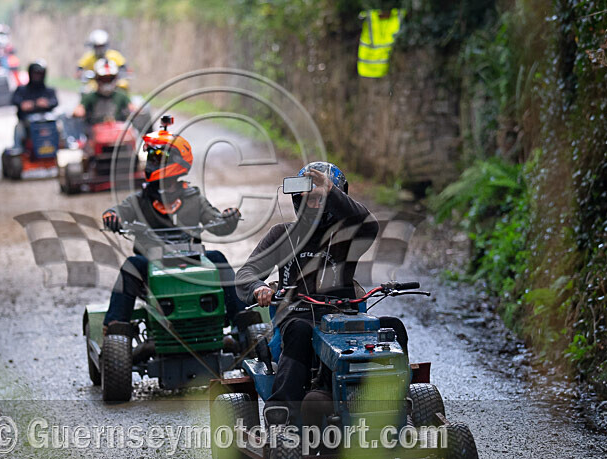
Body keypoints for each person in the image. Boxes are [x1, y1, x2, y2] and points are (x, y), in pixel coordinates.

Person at [235, 162, 379, 425]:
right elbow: (245, 274)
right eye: (308, 198)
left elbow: (369, 225)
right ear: (297, 200)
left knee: (391, 329)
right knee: (300, 331)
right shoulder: (282, 235)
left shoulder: (347, 238)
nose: (314, 204)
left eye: (320, 198)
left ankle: (397, 406)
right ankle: (283, 414)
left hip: (343, 321)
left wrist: (331, 192)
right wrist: (259, 287)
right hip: (296, 319)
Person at [101, 119, 244, 333]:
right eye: (151, 158)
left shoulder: (193, 198)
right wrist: (112, 216)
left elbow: (218, 225)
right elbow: (117, 211)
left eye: (157, 158)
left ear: (176, 161)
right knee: (132, 264)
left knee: (218, 259)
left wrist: (228, 218)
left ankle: (241, 318)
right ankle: (114, 325)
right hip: (150, 262)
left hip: (191, 258)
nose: (151, 163)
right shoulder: (140, 199)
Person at [10, 60, 58, 149]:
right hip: (27, 123)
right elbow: (14, 100)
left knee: (58, 127)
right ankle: (18, 149)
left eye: (39, 73)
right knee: (19, 129)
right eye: (35, 73)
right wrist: (23, 104)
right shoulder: (22, 90)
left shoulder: (48, 90)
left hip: (46, 123)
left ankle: (59, 147)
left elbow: (55, 102)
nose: (37, 76)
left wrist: (47, 103)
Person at [73, 59, 130, 127]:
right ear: (97, 79)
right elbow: (79, 110)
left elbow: (133, 108)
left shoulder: (121, 96)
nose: (107, 82)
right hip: (94, 134)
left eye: (109, 78)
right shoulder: (89, 97)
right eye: (103, 78)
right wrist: (78, 112)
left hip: (118, 133)